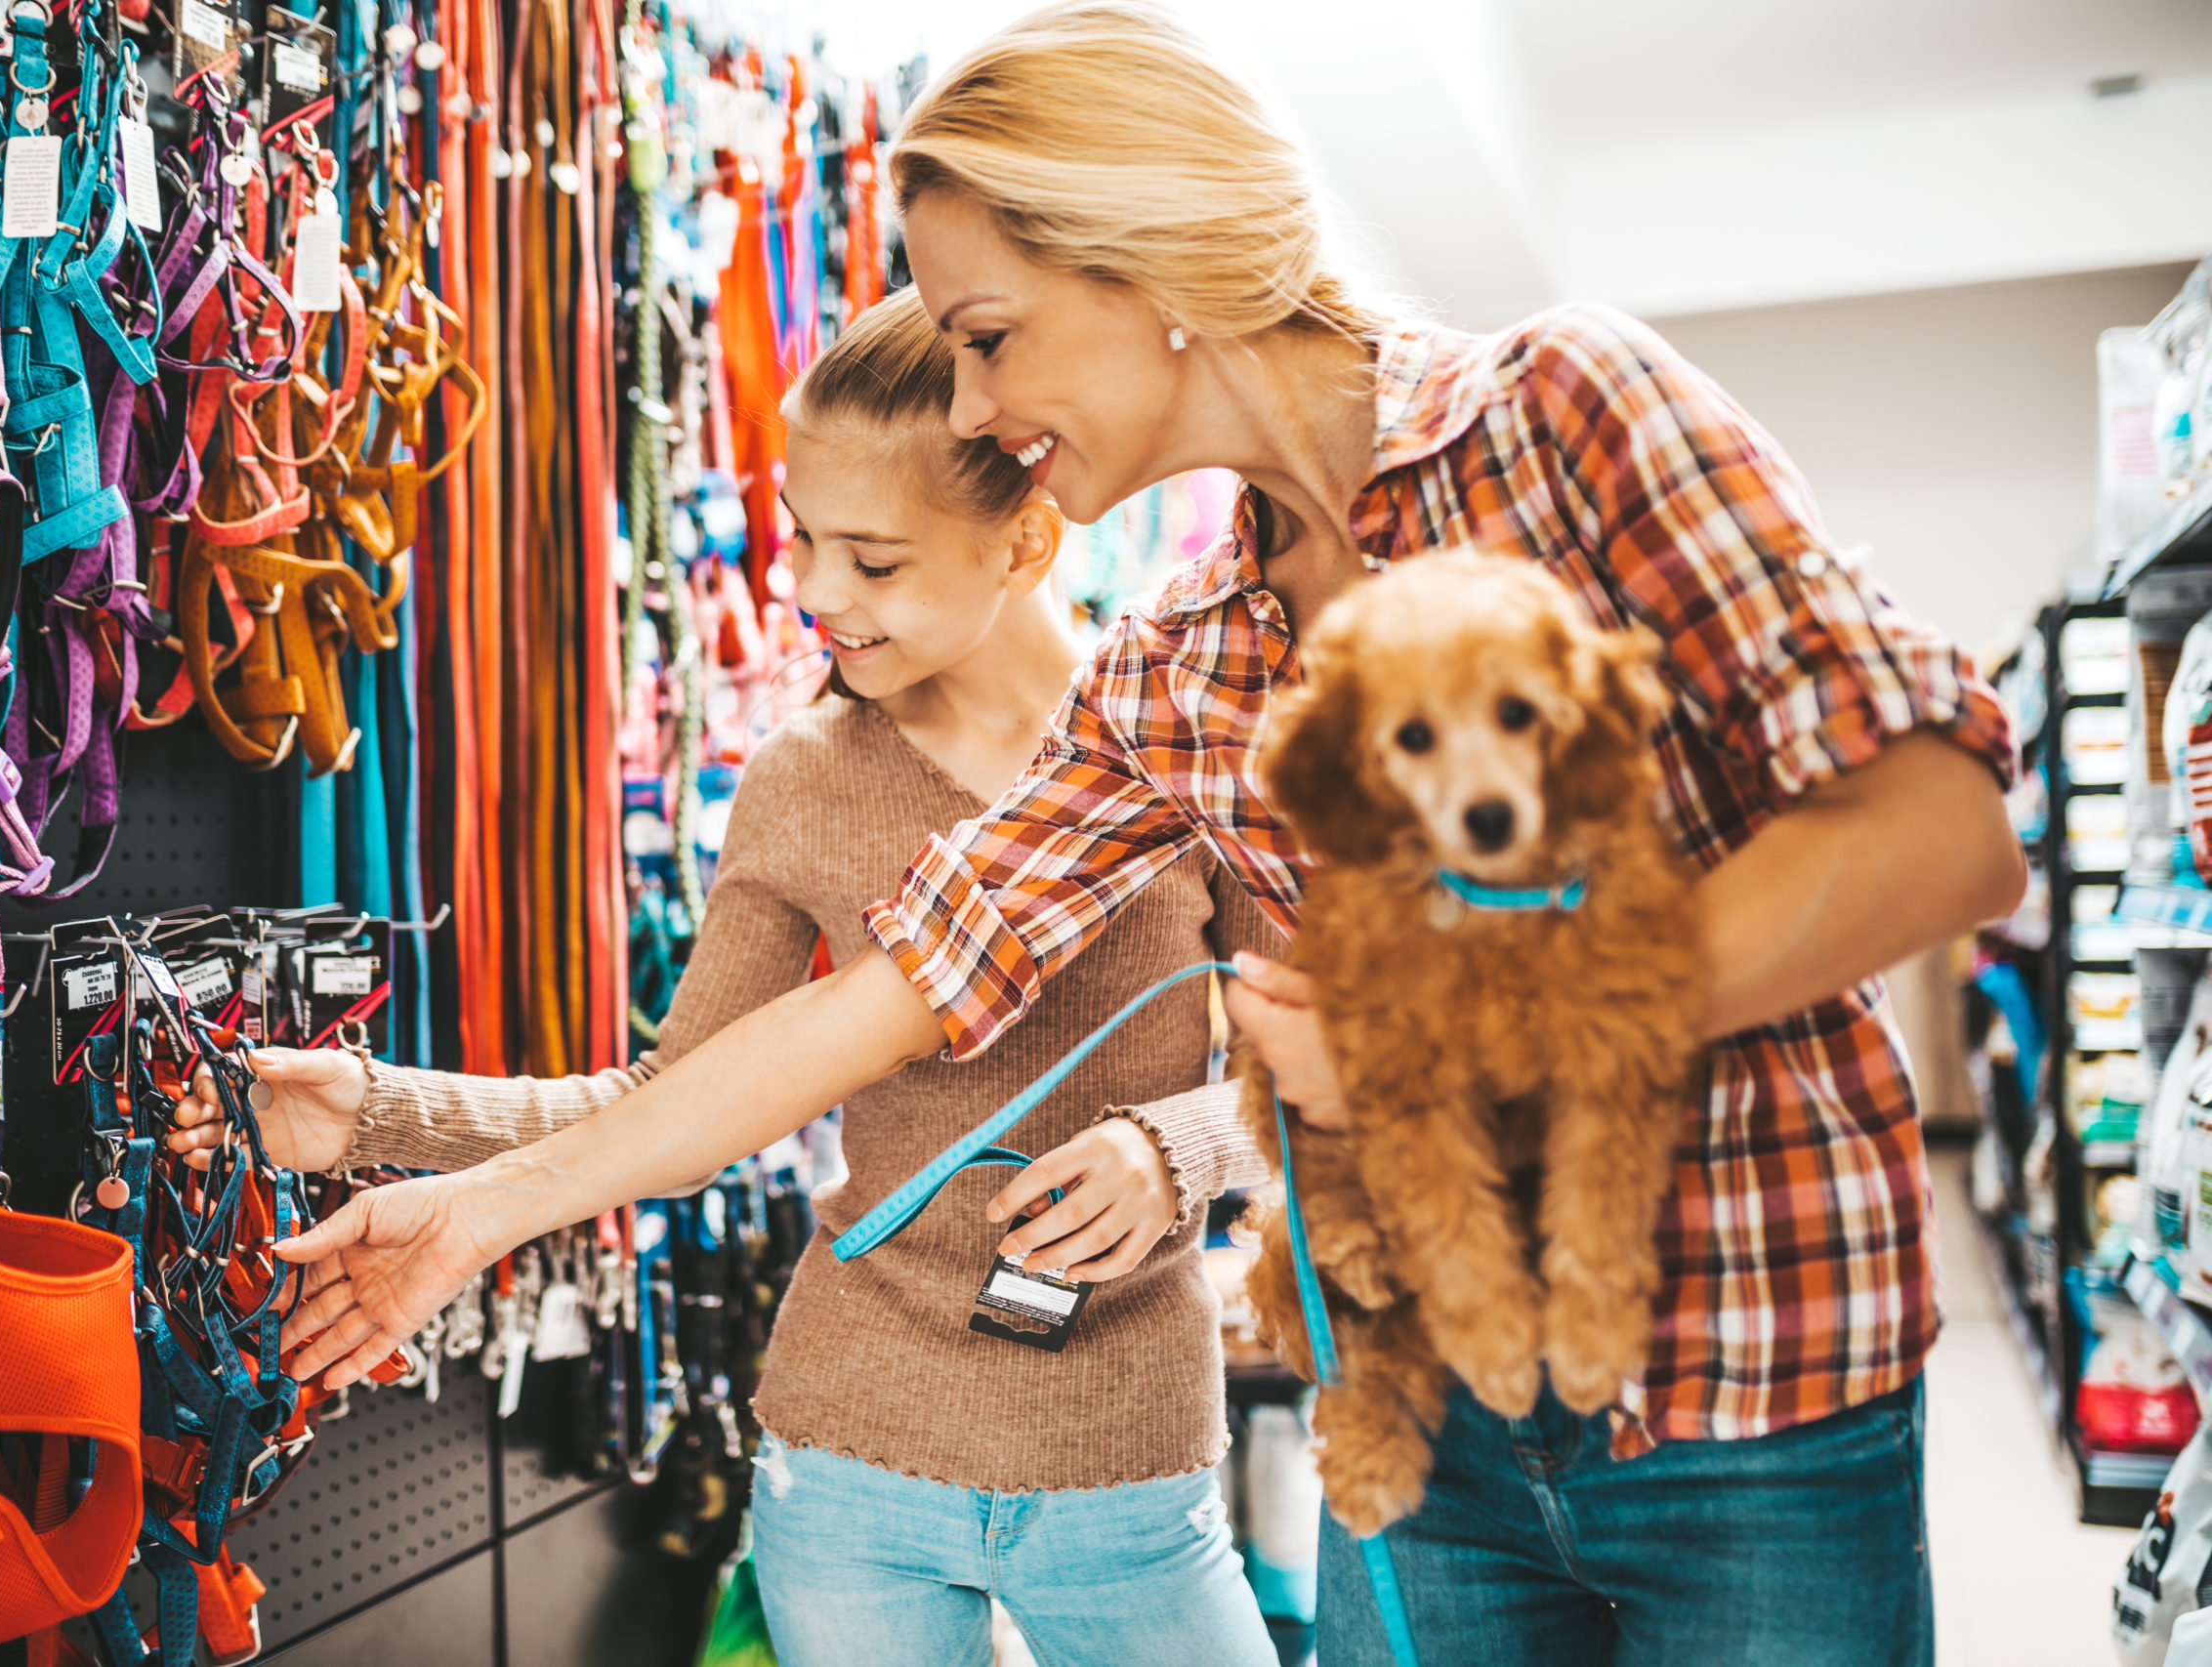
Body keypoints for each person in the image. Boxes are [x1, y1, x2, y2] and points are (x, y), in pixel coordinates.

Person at [184, 5, 2024, 1661]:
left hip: (1751, 1385)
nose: (973, 409)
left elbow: (1945, 825)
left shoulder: (1560, 414)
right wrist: (474, 1212)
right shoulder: (1181, 669)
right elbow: (880, 998)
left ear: (1148, 262)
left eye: (989, 336)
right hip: (1422, 1420)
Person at [180, 289, 1284, 1667]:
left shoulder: (1188, 741)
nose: (816, 594)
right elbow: (680, 1103)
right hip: (852, 1466)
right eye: (804, 538)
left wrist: (1177, 1146)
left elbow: (1335, 1061)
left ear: (1029, 540)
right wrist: (369, 1113)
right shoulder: (806, 779)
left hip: (1130, 1470)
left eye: (872, 562)